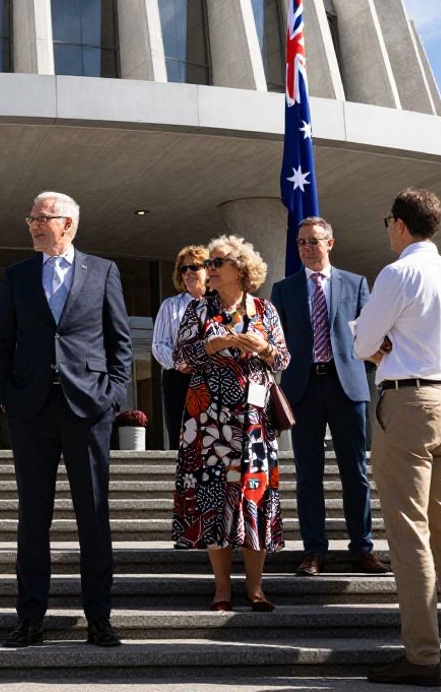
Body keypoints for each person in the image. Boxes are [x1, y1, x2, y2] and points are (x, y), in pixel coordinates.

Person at [0, 191, 132, 649]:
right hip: (32, 412)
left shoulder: (104, 271)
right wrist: (8, 397)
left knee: (93, 517)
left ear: (67, 224)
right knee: (34, 519)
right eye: (30, 217)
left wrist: (111, 395)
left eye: (41, 218)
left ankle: (99, 619)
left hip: (88, 409)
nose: (32, 225)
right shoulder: (16, 276)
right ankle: (30, 618)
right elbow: (3, 341)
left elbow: (120, 343)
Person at [354, 188, 441, 687]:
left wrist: (380, 348)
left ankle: (423, 655)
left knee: (408, 533)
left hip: (408, 402)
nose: (388, 229)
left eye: (389, 221)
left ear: (401, 225)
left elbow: (363, 341)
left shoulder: (399, 272)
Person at [172, 235, 289, 612]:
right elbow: (180, 358)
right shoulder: (198, 310)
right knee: (212, 497)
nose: (209, 269)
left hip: (254, 422)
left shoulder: (264, 309)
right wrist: (214, 345)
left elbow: (284, 359)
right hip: (208, 420)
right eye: (209, 263)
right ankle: (222, 588)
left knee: (256, 498)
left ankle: (255, 589)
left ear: (240, 269)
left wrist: (263, 348)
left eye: (217, 263)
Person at [269, 217, 388, 577]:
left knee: (355, 472)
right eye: (302, 242)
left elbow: (371, 337)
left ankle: (362, 549)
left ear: (330, 243)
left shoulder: (355, 283)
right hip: (303, 390)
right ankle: (314, 551)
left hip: (346, 387)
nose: (307, 247)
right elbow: (279, 345)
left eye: (313, 241)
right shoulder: (284, 289)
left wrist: (358, 371)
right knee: (308, 475)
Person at [152, 246, 207, 450]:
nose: (188, 273)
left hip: (213, 378)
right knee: (181, 438)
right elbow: (159, 344)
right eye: (183, 269)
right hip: (178, 379)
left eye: (194, 267)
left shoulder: (220, 305)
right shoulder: (170, 305)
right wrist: (178, 363)